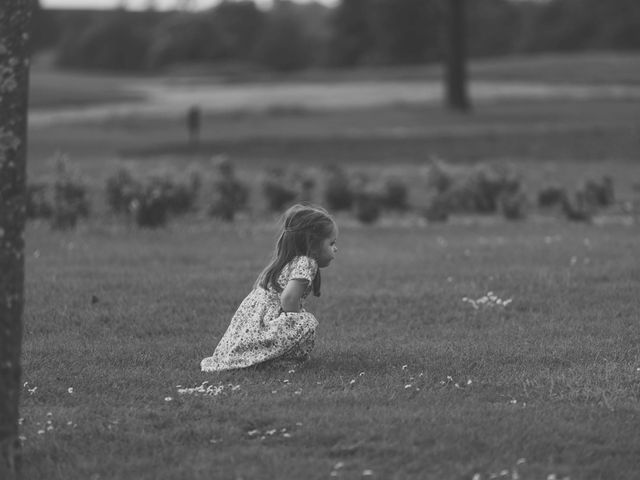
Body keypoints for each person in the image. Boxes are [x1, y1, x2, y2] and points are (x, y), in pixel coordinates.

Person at [201, 204, 338, 372]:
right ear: (314, 244)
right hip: (268, 318)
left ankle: (261, 359)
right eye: (331, 243)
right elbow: (288, 298)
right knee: (305, 322)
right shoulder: (307, 262)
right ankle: (279, 360)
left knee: (300, 323)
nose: (335, 249)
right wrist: (293, 328)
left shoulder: (289, 260)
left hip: (257, 317)